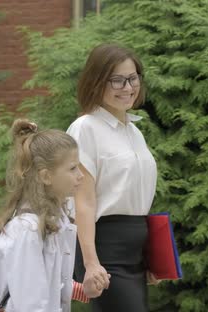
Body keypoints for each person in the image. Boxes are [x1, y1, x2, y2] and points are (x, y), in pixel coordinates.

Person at [67, 43, 159, 312]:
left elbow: (138, 199)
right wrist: (91, 262)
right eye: (117, 80)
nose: (128, 87)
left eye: (132, 78)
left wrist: (150, 255)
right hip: (106, 251)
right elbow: (83, 202)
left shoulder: (134, 132)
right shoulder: (85, 129)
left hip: (135, 251)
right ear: (97, 81)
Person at [0, 119, 105, 311]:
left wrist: (83, 290)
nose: (81, 175)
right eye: (72, 168)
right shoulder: (26, 230)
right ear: (45, 176)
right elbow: (30, 305)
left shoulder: (55, 221)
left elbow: (50, 283)